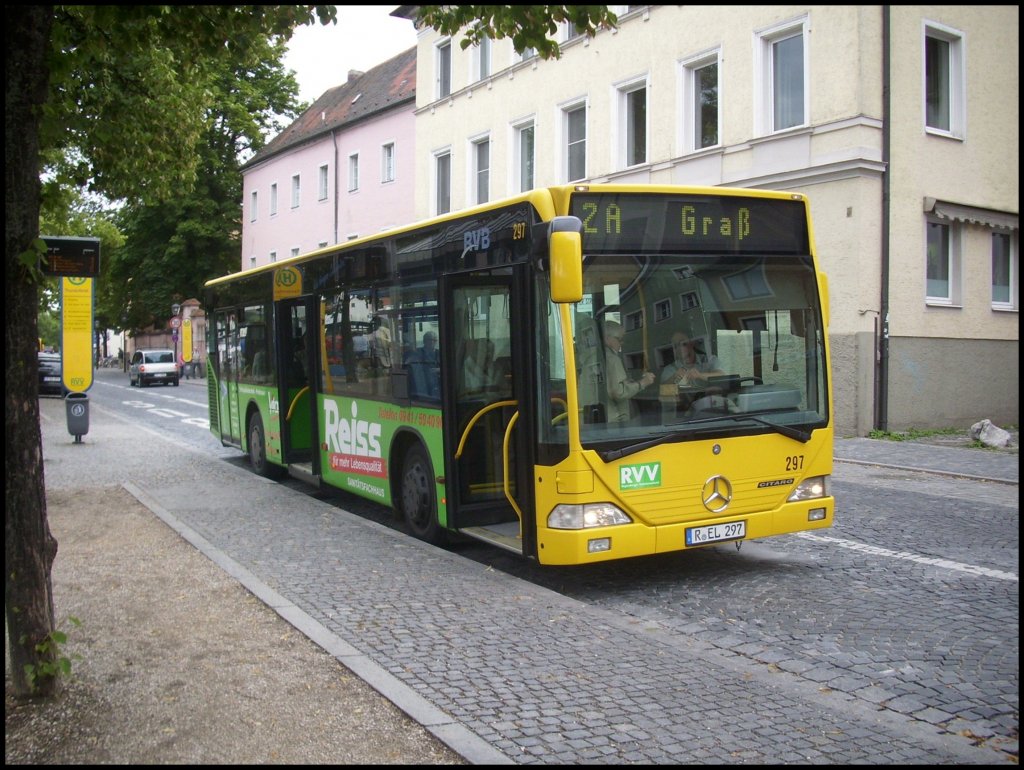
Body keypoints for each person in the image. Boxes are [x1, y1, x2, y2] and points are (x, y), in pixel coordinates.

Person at [603, 320, 655, 423]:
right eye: (620, 339)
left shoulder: (599, 357)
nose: (622, 343)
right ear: (607, 339)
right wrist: (643, 383)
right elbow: (618, 393)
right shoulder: (612, 359)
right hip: (616, 421)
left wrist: (629, 383)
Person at [660, 331, 724, 386]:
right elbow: (663, 393)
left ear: (692, 343)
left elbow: (722, 376)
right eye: (676, 346)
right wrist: (673, 378)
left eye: (683, 343)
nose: (680, 348)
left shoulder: (709, 359)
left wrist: (700, 375)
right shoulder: (670, 369)